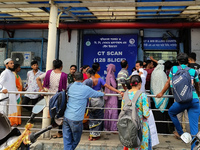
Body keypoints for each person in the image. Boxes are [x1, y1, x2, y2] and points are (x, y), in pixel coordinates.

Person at [156, 53, 200, 150]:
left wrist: (161, 93)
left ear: (178, 61)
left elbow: (168, 82)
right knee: (194, 128)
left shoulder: (174, 69)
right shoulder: (193, 71)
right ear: (188, 61)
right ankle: (194, 148)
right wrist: (198, 94)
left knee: (171, 112)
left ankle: (181, 133)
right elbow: (197, 85)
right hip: (194, 99)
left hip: (181, 99)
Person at [63, 72, 104, 150]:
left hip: (67, 116)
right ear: (83, 79)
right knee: (76, 140)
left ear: (74, 78)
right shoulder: (86, 88)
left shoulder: (70, 86)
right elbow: (98, 94)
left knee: (67, 140)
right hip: (77, 119)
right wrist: (103, 93)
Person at [83, 68, 123, 141]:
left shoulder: (87, 81)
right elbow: (109, 86)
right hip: (99, 101)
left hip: (91, 101)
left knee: (92, 117)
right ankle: (96, 135)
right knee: (98, 117)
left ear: (88, 74)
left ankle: (91, 135)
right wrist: (119, 92)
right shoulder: (99, 80)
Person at [37, 59, 68, 138]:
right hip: (60, 97)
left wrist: (42, 89)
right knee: (61, 113)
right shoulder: (64, 75)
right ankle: (59, 132)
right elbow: (67, 87)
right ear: (61, 66)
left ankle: (48, 131)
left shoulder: (48, 73)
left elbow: (38, 79)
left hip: (50, 96)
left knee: (51, 113)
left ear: (53, 66)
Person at [122, 75, 150, 150]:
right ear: (140, 84)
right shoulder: (143, 95)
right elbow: (146, 115)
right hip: (141, 127)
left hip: (128, 127)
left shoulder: (125, 95)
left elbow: (122, 110)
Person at [0, 58, 19, 127]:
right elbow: (0, 84)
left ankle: (5, 127)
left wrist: (16, 91)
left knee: (7, 113)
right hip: (5, 96)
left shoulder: (12, 74)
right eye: (11, 63)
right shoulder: (4, 73)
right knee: (3, 112)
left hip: (10, 96)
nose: (13, 64)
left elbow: (12, 84)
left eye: (13, 63)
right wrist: (2, 90)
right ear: (6, 65)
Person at [104, 64, 118, 132]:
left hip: (108, 95)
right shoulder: (111, 75)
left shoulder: (107, 76)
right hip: (113, 95)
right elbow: (114, 85)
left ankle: (107, 127)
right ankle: (113, 128)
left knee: (108, 111)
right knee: (114, 111)